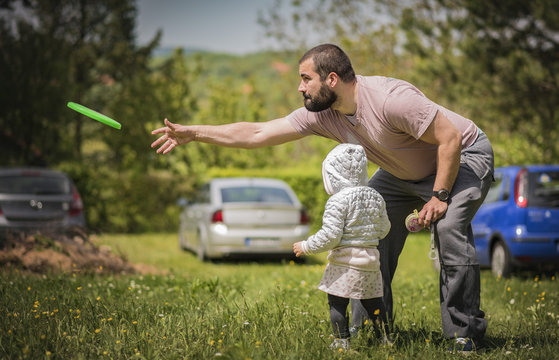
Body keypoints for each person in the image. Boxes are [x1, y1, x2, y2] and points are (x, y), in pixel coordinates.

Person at [151, 43, 494, 352]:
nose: (300, 87)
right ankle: (369, 329)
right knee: (362, 231)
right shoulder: (323, 115)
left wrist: (439, 196)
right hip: (401, 172)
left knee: (449, 227)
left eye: (305, 78)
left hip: (461, 156)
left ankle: (464, 332)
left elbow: (449, 137)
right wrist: (195, 133)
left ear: (331, 79)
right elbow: (258, 132)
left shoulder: (391, 99)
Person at [292, 143, 391, 350]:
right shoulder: (376, 196)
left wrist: (306, 246)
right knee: (374, 303)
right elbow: (384, 229)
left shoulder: (337, 201)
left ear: (334, 175)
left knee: (337, 303)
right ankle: (385, 339)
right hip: (371, 261)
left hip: (344, 263)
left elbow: (331, 236)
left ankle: (341, 341)